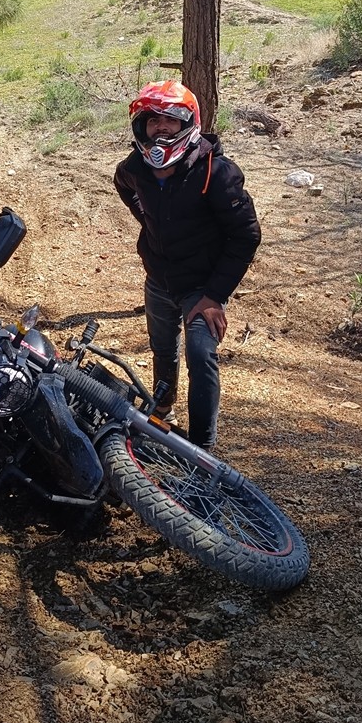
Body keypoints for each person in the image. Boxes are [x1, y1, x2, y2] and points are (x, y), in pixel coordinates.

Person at [114, 80, 261, 449]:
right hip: (159, 276)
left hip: (202, 284)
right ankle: (163, 407)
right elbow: (124, 185)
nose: (161, 127)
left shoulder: (217, 172)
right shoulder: (136, 167)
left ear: (188, 124)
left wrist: (214, 296)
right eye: (153, 121)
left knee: (199, 353)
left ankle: (202, 448)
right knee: (162, 347)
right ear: (140, 127)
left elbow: (246, 235)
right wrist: (151, 221)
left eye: (171, 120)